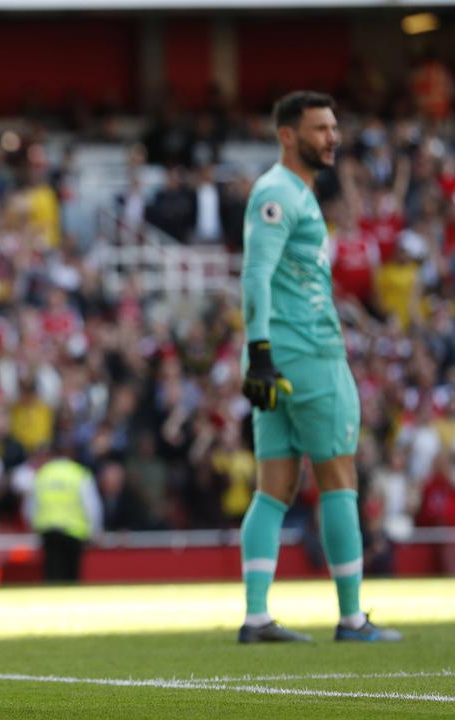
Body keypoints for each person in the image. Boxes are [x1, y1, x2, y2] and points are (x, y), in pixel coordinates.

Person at [237, 91, 400, 644]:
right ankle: (352, 619)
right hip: (308, 356)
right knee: (339, 479)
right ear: (287, 135)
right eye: (320, 129)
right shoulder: (280, 192)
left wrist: (260, 355)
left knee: (274, 488)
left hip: (277, 358)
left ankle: (257, 617)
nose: (332, 137)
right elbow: (255, 274)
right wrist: (261, 352)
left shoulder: (290, 192)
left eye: (334, 127)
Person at [28, 453, 102, 582]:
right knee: (71, 577)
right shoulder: (79, 473)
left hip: (49, 533)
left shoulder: (43, 473)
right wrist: (94, 533)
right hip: (74, 533)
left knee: (52, 576)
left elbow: (31, 506)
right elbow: (91, 506)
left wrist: (34, 529)